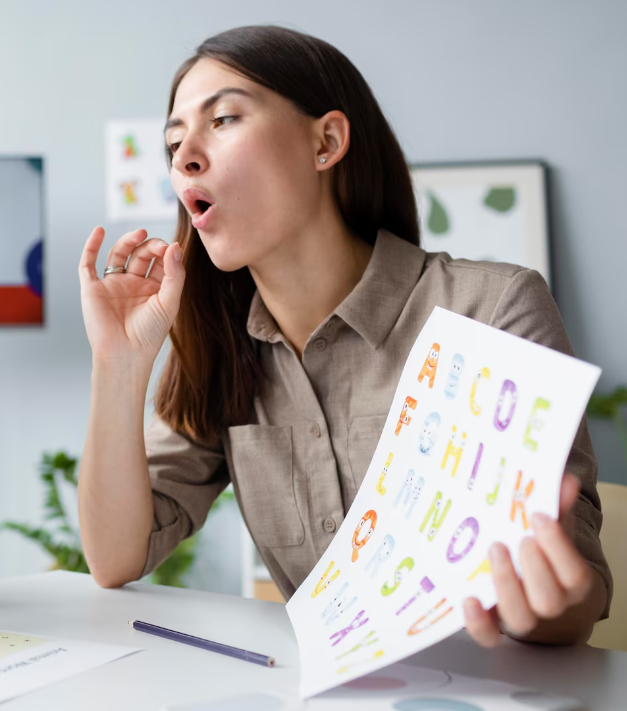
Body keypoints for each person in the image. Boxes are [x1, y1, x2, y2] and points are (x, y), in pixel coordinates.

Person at [77, 25, 609, 646]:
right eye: (173, 142)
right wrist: (118, 365)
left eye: (222, 120)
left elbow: (576, 590)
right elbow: (116, 558)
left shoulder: (493, 309)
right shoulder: (222, 346)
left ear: (326, 141)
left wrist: (546, 603)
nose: (185, 156)